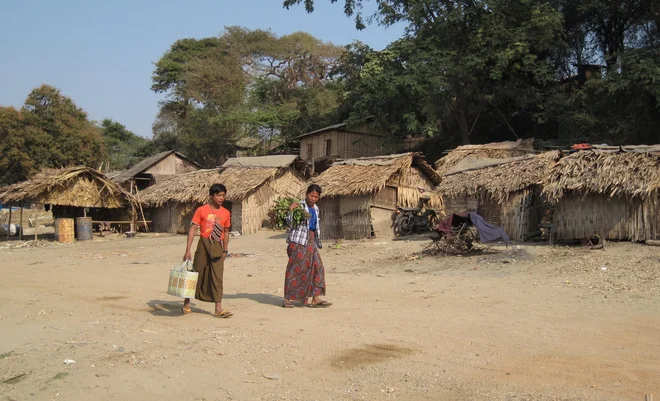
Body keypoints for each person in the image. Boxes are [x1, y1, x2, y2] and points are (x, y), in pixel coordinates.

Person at [182, 183, 233, 318]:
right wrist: (188, 250)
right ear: (211, 196)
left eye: (223, 195)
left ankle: (218, 308)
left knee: (217, 276)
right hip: (203, 244)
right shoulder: (202, 210)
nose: (221, 198)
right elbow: (193, 228)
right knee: (195, 273)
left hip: (217, 246)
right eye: (219, 195)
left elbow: (226, 231)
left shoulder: (226, 213)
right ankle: (187, 302)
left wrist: (225, 250)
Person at [282, 184, 332, 308]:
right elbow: (289, 222)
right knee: (295, 268)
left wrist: (316, 242)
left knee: (318, 267)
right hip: (298, 242)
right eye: (311, 195)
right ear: (306, 194)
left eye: (316, 196)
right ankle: (287, 298)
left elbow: (315, 227)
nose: (313, 198)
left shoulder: (315, 208)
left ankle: (316, 297)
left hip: (311, 242)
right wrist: (290, 210)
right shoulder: (299, 206)